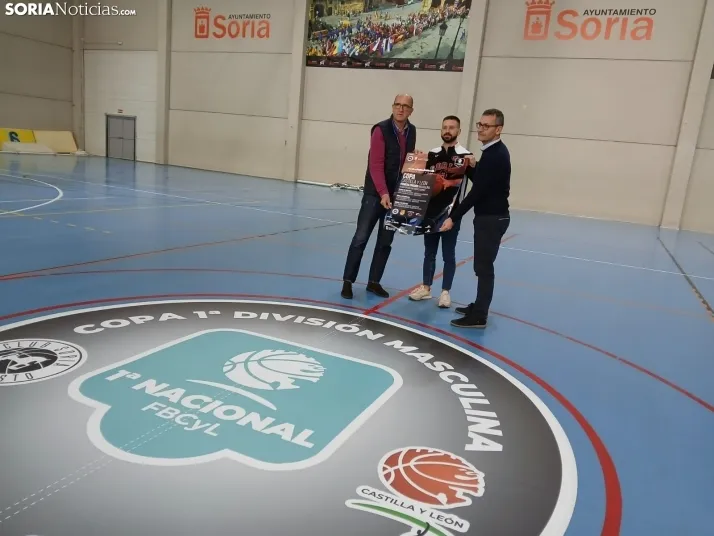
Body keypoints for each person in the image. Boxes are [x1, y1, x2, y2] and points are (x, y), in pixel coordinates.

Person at [341, 94, 417, 300]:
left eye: (405, 106)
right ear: (392, 107)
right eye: (397, 105)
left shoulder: (412, 131)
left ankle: (374, 282)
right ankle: (348, 281)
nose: (400, 109)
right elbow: (375, 165)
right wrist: (383, 192)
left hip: (396, 196)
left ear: (411, 110)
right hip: (375, 195)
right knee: (361, 238)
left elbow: (407, 163)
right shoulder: (380, 130)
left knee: (385, 241)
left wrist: (416, 163)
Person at [440, 109, 510, 328]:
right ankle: (479, 305)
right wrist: (473, 167)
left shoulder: (495, 155)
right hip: (489, 217)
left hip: (492, 218)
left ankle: (480, 315)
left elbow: (477, 192)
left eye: (486, 126)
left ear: (498, 129)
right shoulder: (492, 152)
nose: (481, 129)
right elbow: (484, 180)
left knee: (484, 267)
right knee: (482, 265)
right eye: (480, 124)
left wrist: (453, 217)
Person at [408, 115, 475, 308]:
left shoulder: (465, 156)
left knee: (448, 254)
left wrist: (475, 166)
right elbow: (421, 179)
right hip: (431, 212)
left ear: (459, 131)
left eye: (452, 127)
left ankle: (445, 292)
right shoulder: (432, 154)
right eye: (445, 127)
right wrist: (416, 160)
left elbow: (478, 183)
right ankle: (426, 287)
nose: (447, 130)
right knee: (429, 252)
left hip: (451, 215)